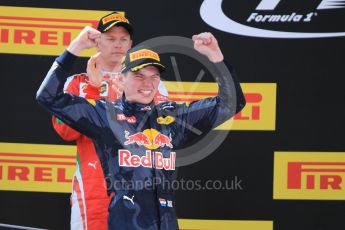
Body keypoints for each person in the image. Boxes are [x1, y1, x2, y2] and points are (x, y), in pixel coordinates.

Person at [37, 30, 246, 229]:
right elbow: (47, 96)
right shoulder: (105, 116)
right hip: (123, 222)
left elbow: (232, 103)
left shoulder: (174, 118)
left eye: (154, 76)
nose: (147, 83)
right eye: (138, 75)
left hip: (166, 223)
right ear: (120, 79)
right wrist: (75, 48)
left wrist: (216, 57)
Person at [51, 12, 168, 230]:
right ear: (97, 42)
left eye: (123, 39)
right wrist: (95, 92)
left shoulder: (152, 85)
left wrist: (127, 99)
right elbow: (64, 132)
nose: (118, 45)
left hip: (140, 186)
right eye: (111, 38)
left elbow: (162, 130)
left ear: (131, 44)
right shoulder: (75, 84)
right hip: (93, 186)